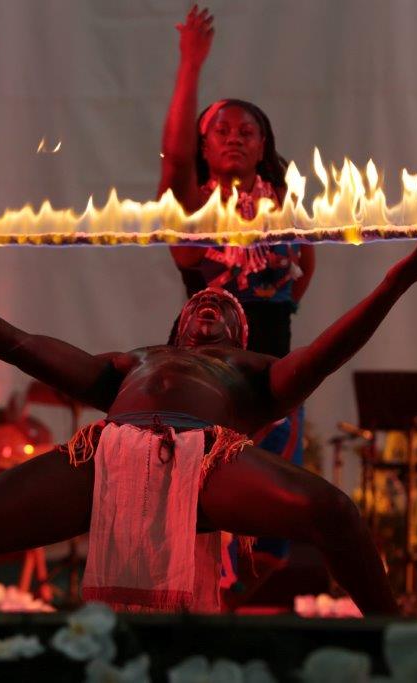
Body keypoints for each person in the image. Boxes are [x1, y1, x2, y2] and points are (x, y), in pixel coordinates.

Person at [0, 226, 417, 615]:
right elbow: (18, 344)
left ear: (242, 336)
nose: (211, 312)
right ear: (176, 325)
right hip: (107, 454)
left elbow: (322, 356)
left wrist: (394, 284)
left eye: (225, 312)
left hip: (207, 459)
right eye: (201, 305)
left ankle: (394, 639)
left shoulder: (250, 371)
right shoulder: (130, 363)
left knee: (332, 510)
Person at [159, 4, 317, 567]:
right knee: (202, 503)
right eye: (220, 130)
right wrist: (189, 65)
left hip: (273, 368)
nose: (234, 138)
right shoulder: (193, 205)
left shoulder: (285, 204)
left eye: (246, 131)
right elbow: (174, 154)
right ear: (203, 148)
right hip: (202, 371)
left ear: (262, 143)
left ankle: (246, 614)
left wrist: (275, 313)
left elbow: (307, 266)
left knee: (270, 509)